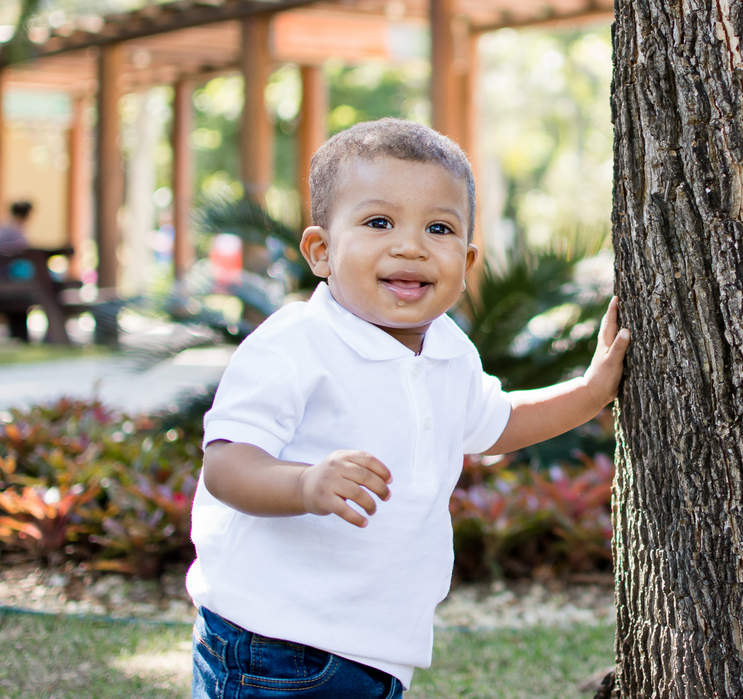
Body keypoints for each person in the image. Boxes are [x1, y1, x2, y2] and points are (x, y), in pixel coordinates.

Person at [187, 118, 630, 698]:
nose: (410, 245)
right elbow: (226, 465)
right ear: (321, 251)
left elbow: (498, 423)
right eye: (378, 222)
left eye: (439, 228)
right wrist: (305, 484)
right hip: (276, 644)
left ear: (467, 262)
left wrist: (592, 391)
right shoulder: (294, 345)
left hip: (375, 649)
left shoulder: (449, 349)